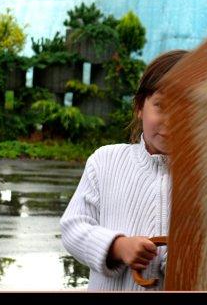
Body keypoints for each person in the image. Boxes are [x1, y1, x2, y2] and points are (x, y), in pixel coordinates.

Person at [60, 49, 189, 291]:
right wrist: (117, 247)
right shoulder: (106, 161)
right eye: (161, 105)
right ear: (140, 107)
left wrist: (186, 260)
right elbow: (73, 227)